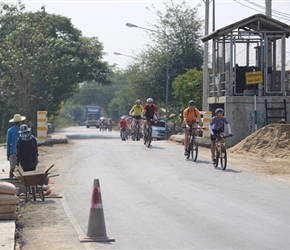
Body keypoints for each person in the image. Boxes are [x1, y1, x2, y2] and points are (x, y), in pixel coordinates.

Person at [6, 114, 26, 178]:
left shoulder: (10, 130)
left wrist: (8, 154)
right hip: (23, 152)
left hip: (13, 152)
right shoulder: (24, 129)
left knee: (12, 168)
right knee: (23, 168)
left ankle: (10, 182)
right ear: (21, 121)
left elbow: (8, 143)